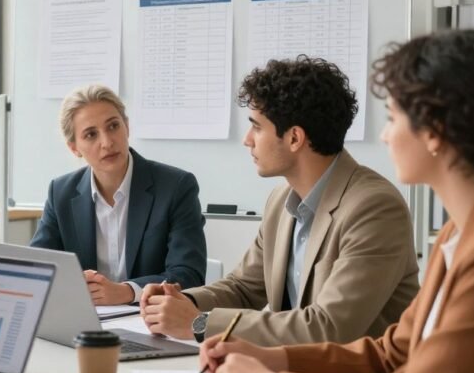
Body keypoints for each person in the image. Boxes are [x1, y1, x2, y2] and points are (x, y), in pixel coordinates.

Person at [203, 30, 474, 373]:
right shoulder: (461, 232)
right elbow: (390, 355)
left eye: (393, 118)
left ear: (434, 131)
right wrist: (276, 359)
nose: (384, 137)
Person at [141, 56, 419, 345]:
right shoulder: (281, 201)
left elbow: (329, 327)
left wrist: (200, 323)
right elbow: (244, 288)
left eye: (257, 127)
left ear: (295, 138)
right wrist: (180, 301)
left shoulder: (374, 208)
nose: (247, 139)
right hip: (294, 371)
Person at [29, 85, 207, 305]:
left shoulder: (176, 186)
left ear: (127, 127)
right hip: (88, 322)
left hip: (152, 322)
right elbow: (38, 269)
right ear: (74, 148)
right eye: (91, 134)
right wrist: (74, 282)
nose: (107, 142)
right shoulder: (61, 193)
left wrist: (127, 291)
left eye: (113, 126)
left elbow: (189, 275)